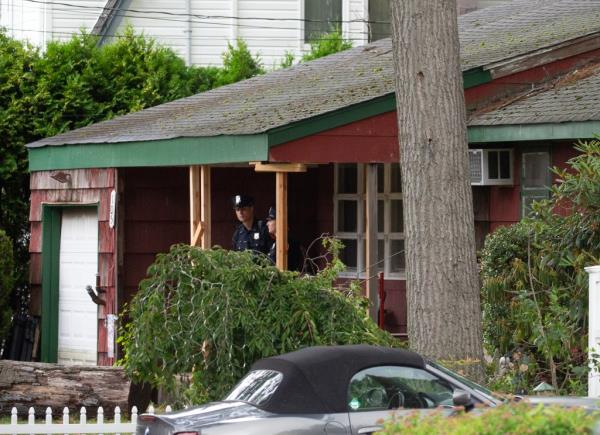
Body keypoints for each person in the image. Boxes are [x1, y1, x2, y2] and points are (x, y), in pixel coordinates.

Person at [265, 206, 304, 272]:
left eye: (270, 220)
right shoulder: (275, 242)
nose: (267, 223)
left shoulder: (287, 241)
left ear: (280, 221)